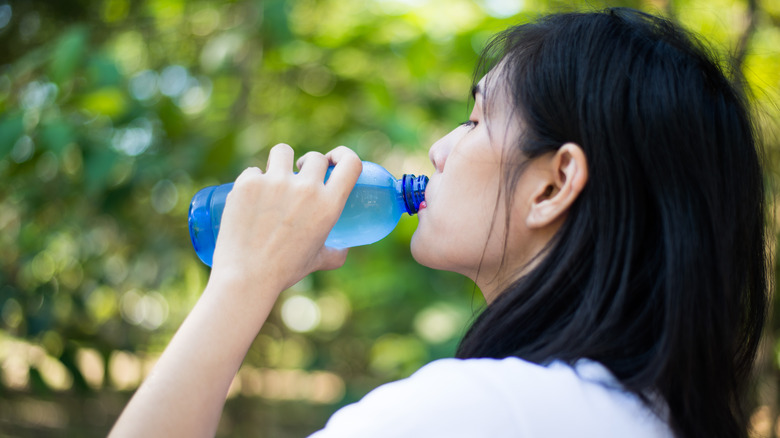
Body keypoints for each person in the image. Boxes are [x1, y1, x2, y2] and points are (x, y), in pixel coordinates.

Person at [110, 8, 768, 438]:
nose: (439, 150)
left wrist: (240, 283)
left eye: (477, 120)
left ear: (553, 183)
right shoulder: (652, 417)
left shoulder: (475, 413)